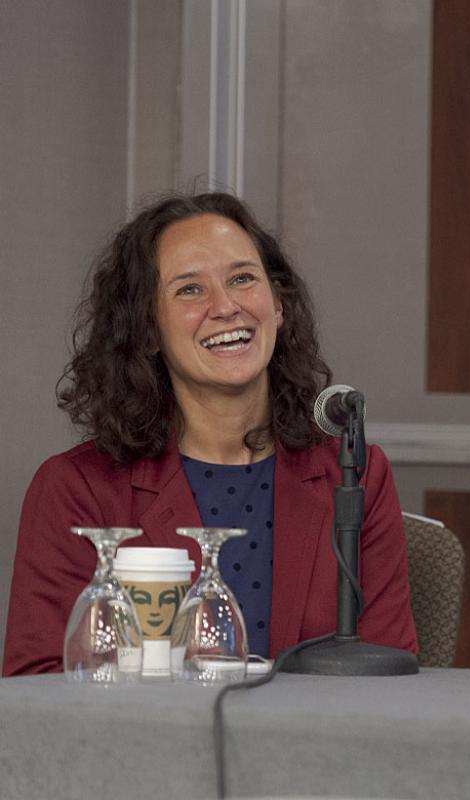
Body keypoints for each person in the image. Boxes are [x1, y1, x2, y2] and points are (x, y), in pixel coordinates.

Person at [3, 192, 418, 676]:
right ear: (147, 330)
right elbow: (39, 681)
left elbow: (388, 673)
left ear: (278, 305)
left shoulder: (354, 475)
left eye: (242, 279)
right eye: (189, 290)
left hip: (316, 729)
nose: (225, 307)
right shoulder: (77, 489)